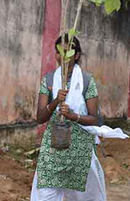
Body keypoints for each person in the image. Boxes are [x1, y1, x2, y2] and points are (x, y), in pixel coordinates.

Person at [30, 34, 106, 201]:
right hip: (54, 148)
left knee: (84, 195)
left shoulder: (86, 81)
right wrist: (56, 100)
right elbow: (40, 117)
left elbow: (94, 119)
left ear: (76, 55)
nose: (61, 56)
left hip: (79, 150)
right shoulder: (49, 80)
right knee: (45, 193)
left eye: (67, 52)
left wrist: (73, 116)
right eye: (58, 52)